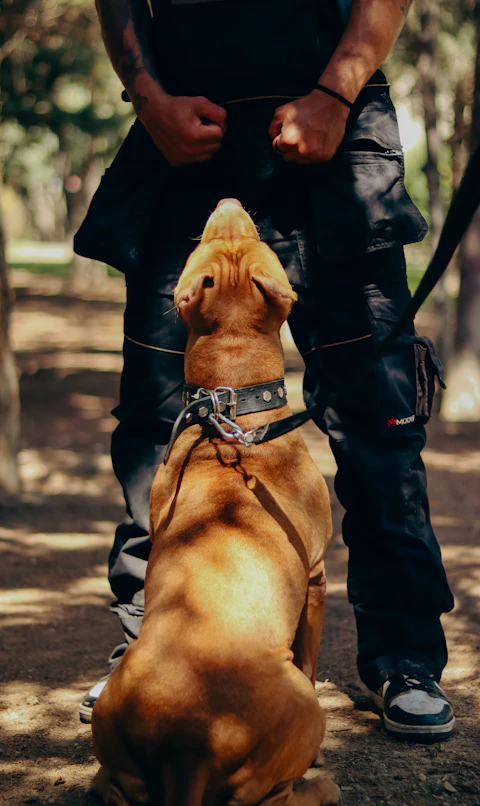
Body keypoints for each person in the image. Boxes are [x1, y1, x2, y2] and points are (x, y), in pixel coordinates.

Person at [76, 0, 455, 741]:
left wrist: (337, 91)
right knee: (160, 422)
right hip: (185, 140)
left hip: (334, 135)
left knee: (379, 415)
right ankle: (149, 643)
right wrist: (149, 99)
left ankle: (404, 657)